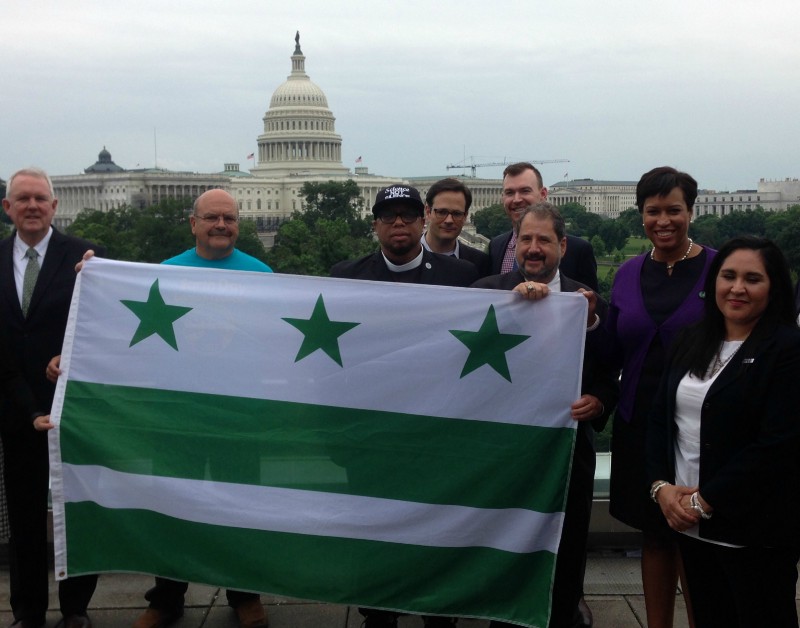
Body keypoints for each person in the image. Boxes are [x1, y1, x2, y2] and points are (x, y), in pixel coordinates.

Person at [331, 184, 477, 628]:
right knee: (373, 530)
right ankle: (379, 612)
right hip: (371, 434)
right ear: (374, 224)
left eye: (408, 216)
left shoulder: (462, 278)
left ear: (424, 220)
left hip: (437, 431)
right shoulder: (345, 277)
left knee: (438, 524)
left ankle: (439, 611)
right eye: (389, 216)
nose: (399, 224)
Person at [473, 203, 618, 628]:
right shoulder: (486, 292)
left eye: (544, 241)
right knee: (504, 535)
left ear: (563, 245)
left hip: (566, 450)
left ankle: (565, 612)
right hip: (504, 451)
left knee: (568, 541)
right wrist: (508, 308)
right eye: (526, 240)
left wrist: (598, 400)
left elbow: (610, 372)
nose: (533, 249)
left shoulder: (588, 302)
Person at [132, 188, 271, 628]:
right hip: (177, 412)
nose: (221, 226)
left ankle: (244, 594)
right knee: (172, 507)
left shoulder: (262, 275)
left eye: (229, 219)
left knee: (241, 505)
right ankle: (167, 598)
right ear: (193, 223)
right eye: (212, 218)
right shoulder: (166, 275)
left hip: (238, 413)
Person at [647, 236, 800, 627]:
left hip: (752, 531)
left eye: (753, 279)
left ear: (774, 287)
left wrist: (705, 501)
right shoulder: (692, 340)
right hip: (689, 527)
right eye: (728, 276)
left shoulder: (787, 350)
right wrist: (661, 488)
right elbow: (662, 420)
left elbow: (777, 444)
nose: (737, 288)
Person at [604, 166, 715, 628]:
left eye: (674, 210)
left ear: (691, 211)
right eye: (653, 211)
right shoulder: (628, 273)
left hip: (701, 425)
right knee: (654, 534)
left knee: (697, 537)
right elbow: (610, 348)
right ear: (641, 214)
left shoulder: (719, 267)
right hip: (639, 421)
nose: (663, 220)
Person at [0, 167, 103, 628]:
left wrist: (72, 358)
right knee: (22, 513)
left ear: (55, 206)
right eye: (22, 199)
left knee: (77, 509)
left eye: (40, 198)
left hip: (73, 405)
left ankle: (76, 608)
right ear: (8, 208)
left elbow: (106, 325)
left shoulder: (87, 258)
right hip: (14, 404)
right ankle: (27, 612)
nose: (32, 206)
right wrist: (28, 407)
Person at [488, 163, 598, 291]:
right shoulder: (496, 246)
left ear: (543, 194)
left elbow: (590, 303)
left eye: (525, 191)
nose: (516, 199)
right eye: (509, 192)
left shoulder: (579, 250)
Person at [422, 177, 490, 277]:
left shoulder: (481, 263)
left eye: (457, 214)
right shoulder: (403, 256)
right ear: (428, 212)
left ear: (465, 216)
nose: (449, 220)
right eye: (442, 212)